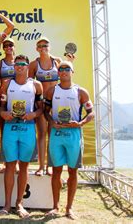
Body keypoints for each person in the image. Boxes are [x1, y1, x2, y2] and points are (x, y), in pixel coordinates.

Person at [43, 61, 94, 220]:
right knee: (56, 171)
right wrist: (51, 121)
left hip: (73, 135)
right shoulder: (52, 91)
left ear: (73, 71)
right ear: (58, 73)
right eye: (61, 69)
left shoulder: (80, 92)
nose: (64, 71)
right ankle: (55, 206)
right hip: (56, 135)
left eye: (67, 69)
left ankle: (69, 208)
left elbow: (91, 113)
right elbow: (45, 112)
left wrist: (80, 123)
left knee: (73, 171)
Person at [0, 54, 44, 218]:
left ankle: (19, 204)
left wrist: (33, 114)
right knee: (10, 166)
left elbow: (41, 109)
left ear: (27, 66)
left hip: (28, 128)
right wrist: (4, 114)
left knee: (24, 166)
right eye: (17, 64)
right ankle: (6, 204)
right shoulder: (5, 84)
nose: (20, 66)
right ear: (13, 67)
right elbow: (1, 108)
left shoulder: (36, 85)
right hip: (11, 128)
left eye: (23, 64)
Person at [28, 36, 75, 176]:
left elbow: (67, 76)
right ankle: (41, 166)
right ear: (37, 48)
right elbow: (30, 84)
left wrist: (71, 62)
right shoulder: (34, 64)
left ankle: (50, 166)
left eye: (46, 45)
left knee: (52, 134)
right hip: (42, 103)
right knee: (41, 134)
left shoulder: (58, 61)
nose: (43, 48)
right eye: (40, 45)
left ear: (50, 47)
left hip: (56, 103)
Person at [0, 38, 16, 174]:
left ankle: (16, 163)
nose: (8, 47)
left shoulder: (20, 61)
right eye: (5, 45)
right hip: (4, 99)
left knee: (17, 130)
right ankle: (4, 162)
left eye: (10, 45)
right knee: (4, 132)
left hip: (17, 99)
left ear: (14, 47)